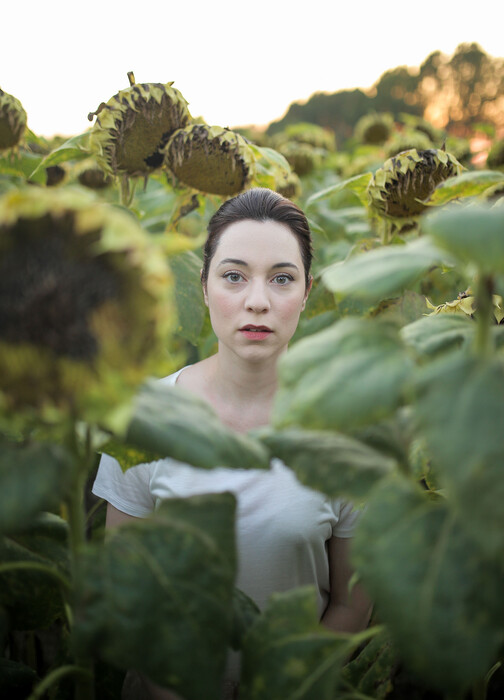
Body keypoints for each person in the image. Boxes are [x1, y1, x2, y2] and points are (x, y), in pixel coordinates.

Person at [92, 188, 371, 699]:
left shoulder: (345, 433)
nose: (257, 301)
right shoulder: (145, 418)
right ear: (203, 287)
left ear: (307, 291)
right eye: (234, 276)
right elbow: (125, 582)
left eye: (282, 278)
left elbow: (353, 605)